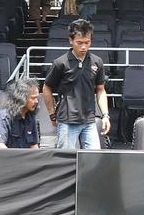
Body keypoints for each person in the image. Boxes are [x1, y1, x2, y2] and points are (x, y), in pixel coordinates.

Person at [42, 19, 109, 149]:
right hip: (67, 120)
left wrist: (105, 115)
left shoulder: (97, 62)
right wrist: (51, 113)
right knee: (65, 161)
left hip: (89, 120)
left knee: (94, 159)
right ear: (71, 40)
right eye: (79, 43)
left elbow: (100, 90)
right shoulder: (60, 63)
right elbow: (47, 87)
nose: (84, 46)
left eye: (87, 42)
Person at [0, 78, 41, 149]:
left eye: (37, 98)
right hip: (5, 158)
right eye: (33, 98)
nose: (36, 101)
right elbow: (0, 147)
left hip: (25, 159)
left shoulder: (32, 118)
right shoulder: (2, 117)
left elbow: (34, 146)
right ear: (22, 98)